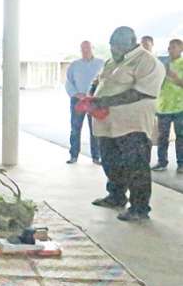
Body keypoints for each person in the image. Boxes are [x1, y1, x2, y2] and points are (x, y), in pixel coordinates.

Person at [90, 27, 165, 221]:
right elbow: (102, 82)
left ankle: (139, 208)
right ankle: (116, 196)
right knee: (111, 162)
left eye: (118, 45)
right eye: (111, 44)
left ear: (132, 42)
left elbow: (142, 93)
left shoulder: (147, 61)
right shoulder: (113, 61)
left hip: (133, 125)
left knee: (136, 167)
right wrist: (92, 97)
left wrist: (105, 101)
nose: (113, 48)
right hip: (107, 123)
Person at [64, 41, 104, 164]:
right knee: (75, 128)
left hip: (94, 101)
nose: (85, 50)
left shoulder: (101, 64)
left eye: (87, 48)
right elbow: (68, 83)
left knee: (95, 129)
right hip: (78, 100)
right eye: (83, 49)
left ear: (93, 48)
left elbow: (105, 81)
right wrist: (76, 94)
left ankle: (96, 157)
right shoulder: (74, 65)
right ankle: (74, 155)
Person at [151, 39, 183, 172]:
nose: (170, 50)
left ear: (181, 49)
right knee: (162, 137)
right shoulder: (162, 63)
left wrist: (175, 78)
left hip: (180, 107)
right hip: (163, 107)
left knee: (180, 137)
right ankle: (161, 162)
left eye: (174, 47)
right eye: (169, 47)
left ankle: (181, 163)